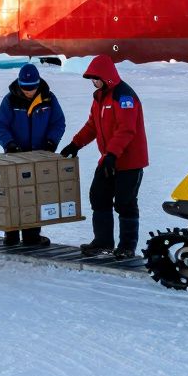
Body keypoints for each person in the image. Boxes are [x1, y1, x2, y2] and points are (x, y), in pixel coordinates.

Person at [59, 55, 148, 259]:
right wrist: (75, 144)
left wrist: (112, 155)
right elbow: (92, 126)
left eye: (95, 78)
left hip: (128, 162)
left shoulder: (124, 96)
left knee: (125, 203)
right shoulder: (100, 97)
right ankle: (103, 242)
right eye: (91, 79)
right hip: (109, 159)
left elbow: (126, 129)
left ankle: (127, 246)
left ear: (105, 77)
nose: (93, 82)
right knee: (98, 196)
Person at [0, 63, 66, 247]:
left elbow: (58, 122)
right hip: (15, 156)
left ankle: (32, 236)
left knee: (34, 195)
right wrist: (9, 144)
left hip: (38, 157)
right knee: (13, 195)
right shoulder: (10, 100)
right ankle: (11, 235)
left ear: (38, 84)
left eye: (32, 88)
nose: (28, 92)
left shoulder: (49, 99)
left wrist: (51, 142)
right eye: (25, 88)